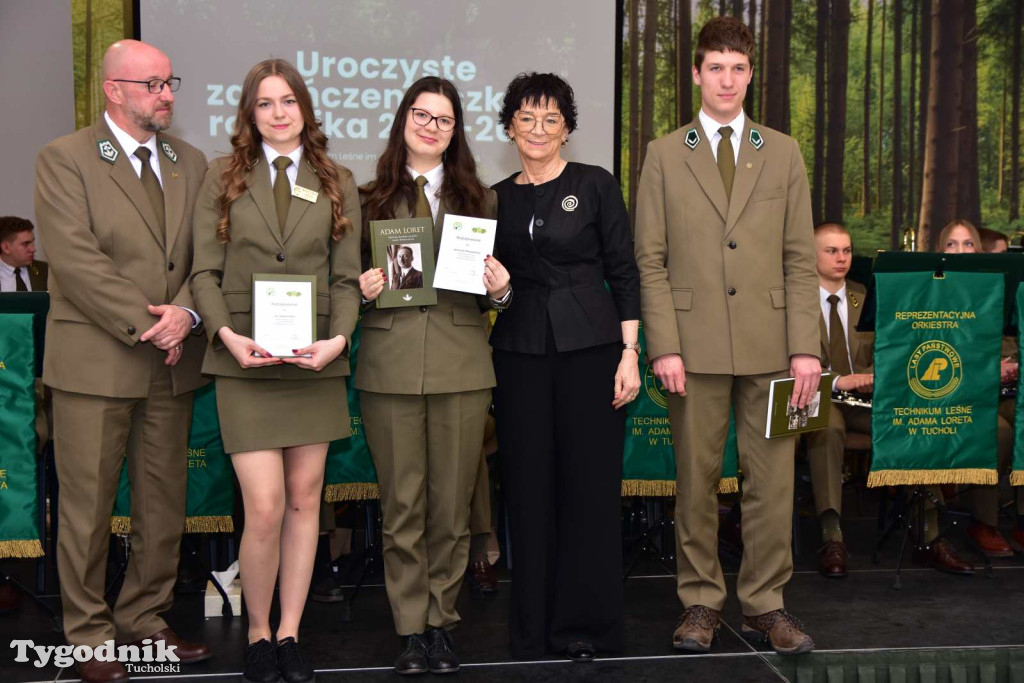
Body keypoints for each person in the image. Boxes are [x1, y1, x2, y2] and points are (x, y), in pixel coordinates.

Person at [634, 17, 820, 655]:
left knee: (772, 483)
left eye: (738, 68)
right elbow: (650, 261)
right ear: (696, 74)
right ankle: (700, 604)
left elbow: (801, 259)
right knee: (697, 480)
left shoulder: (783, 151)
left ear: (750, 74)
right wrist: (663, 345)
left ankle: (767, 605)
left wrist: (806, 348)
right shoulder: (664, 154)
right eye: (716, 67)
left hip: (774, 348)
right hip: (692, 346)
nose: (728, 79)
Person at [33, 39, 210, 683]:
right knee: (88, 506)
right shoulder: (66, 158)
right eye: (152, 84)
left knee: (163, 502)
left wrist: (186, 314)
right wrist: (151, 323)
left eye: (170, 82)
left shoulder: (192, 161)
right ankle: (87, 634)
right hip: (97, 361)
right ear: (113, 90)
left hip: (171, 361)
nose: (167, 94)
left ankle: (145, 617)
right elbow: (76, 261)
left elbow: (207, 257)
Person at [189, 58, 361, 683]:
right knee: (261, 507)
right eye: (266, 103)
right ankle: (257, 632)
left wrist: (339, 340)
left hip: (313, 360)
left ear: (305, 108)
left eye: (289, 101)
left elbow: (346, 279)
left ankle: (291, 634)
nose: (280, 112)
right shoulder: (222, 177)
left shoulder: (337, 179)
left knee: (303, 501)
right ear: (249, 113)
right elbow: (203, 272)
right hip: (245, 359)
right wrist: (227, 337)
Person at [355, 76, 509, 675]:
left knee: (451, 507)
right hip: (389, 367)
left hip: (463, 367)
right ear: (403, 121)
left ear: (455, 131)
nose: (431, 127)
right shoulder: (367, 198)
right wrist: (364, 293)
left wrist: (503, 290)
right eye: (422, 115)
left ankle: (443, 622)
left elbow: (493, 297)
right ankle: (409, 628)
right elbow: (344, 289)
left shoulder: (482, 200)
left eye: (444, 120)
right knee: (402, 506)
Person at [491, 72, 640, 662]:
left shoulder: (595, 185)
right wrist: (498, 291)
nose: (538, 129)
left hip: (593, 354)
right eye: (526, 118)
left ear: (568, 128)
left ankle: (588, 629)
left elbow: (624, 272)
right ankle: (532, 630)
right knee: (527, 490)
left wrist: (630, 353)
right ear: (509, 127)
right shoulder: (493, 196)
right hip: (520, 355)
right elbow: (484, 286)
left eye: (551, 119)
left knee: (589, 489)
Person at [803, 223, 873, 578]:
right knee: (827, 428)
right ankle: (832, 534)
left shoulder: (865, 295)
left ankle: (930, 530)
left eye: (846, 250)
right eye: (831, 250)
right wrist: (838, 380)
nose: (842, 257)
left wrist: (874, 374)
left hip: (864, 400)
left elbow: (888, 345)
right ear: (811, 254)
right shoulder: (796, 299)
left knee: (910, 419)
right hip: (816, 397)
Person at [0, 216, 47, 291]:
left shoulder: (46, 271)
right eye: (26, 244)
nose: (33, 249)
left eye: (32, 242)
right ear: (6, 247)